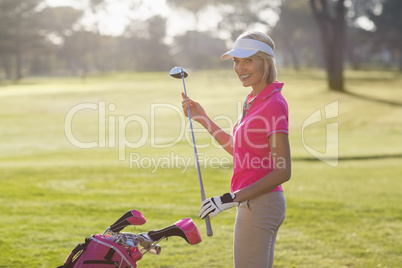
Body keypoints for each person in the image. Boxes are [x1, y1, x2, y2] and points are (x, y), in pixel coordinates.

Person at [181, 31, 291, 268]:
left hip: (260, 203)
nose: (240, 68)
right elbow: (240, 150)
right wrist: (204, 119)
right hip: (256, 202)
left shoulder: (272, 104)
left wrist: (231, 198)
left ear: (266, 62)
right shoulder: (252, 100)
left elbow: (283, 171)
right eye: (236, 61)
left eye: (248, 60)